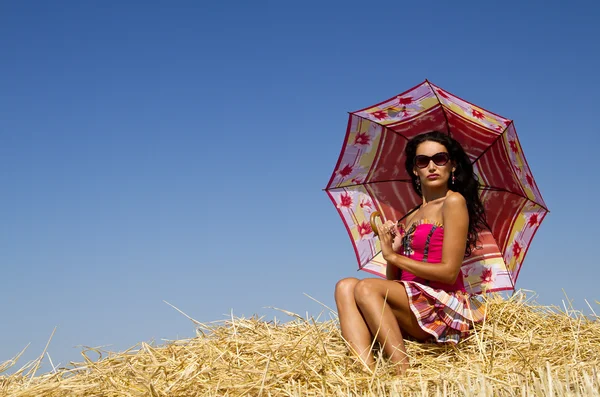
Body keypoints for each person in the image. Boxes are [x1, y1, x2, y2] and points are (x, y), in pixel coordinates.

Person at [334, 131, 487, 375]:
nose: (432, 166)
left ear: (453, 165)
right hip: (411, 304)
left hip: (441, 305)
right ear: (415, 170)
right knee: (345, 285)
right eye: (422, 161)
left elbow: (448, 273)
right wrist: (393, 250)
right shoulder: (411, 215)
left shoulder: (453, 202)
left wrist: (394, 257)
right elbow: (393, 284)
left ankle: (401, 374)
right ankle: (366, 377)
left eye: (440, 158)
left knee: (365, 287)